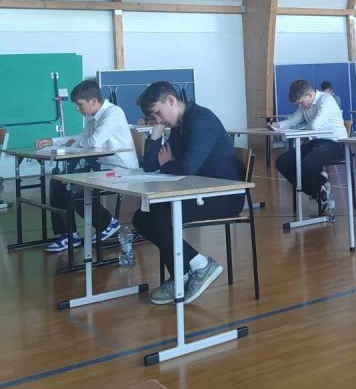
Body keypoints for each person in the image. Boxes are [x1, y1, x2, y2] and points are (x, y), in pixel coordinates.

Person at [135, 81, 243, 306]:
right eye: (153, 117)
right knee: (143, 216)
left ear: (171, 100)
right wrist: (156, 132)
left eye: (157, 113)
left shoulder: (201, 120)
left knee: (161, 219)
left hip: (223, 195)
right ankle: (187, 272)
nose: (158, 119)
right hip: (197, 191)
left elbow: (187, 166)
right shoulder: (178, 126)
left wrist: (167, 164)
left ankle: (198, 268)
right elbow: (150, 166)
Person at [36, 79, 138, 253]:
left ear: (93, 101)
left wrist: (72, 144)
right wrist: (54, 141)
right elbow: (82, 137)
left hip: (121, 170)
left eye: (79, 104)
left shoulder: (113, 113)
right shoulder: (94, 116)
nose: (77, 108)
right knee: (58, 181)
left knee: (76, 188)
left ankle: (107, 223)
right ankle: (68, 235)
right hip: (102, 167)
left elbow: (94, 141)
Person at [272, 79, 348, 215]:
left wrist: (298, 129)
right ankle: (319, 190)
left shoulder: (326, 100)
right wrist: (277, 126)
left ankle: (320, 187)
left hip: (336, 144)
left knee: (306, 163)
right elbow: (293, 120)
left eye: (301, 102)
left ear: (309, 94)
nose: (300, 105)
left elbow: (314, 125)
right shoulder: (304, 105)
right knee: (282, 161)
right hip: (316, 143)